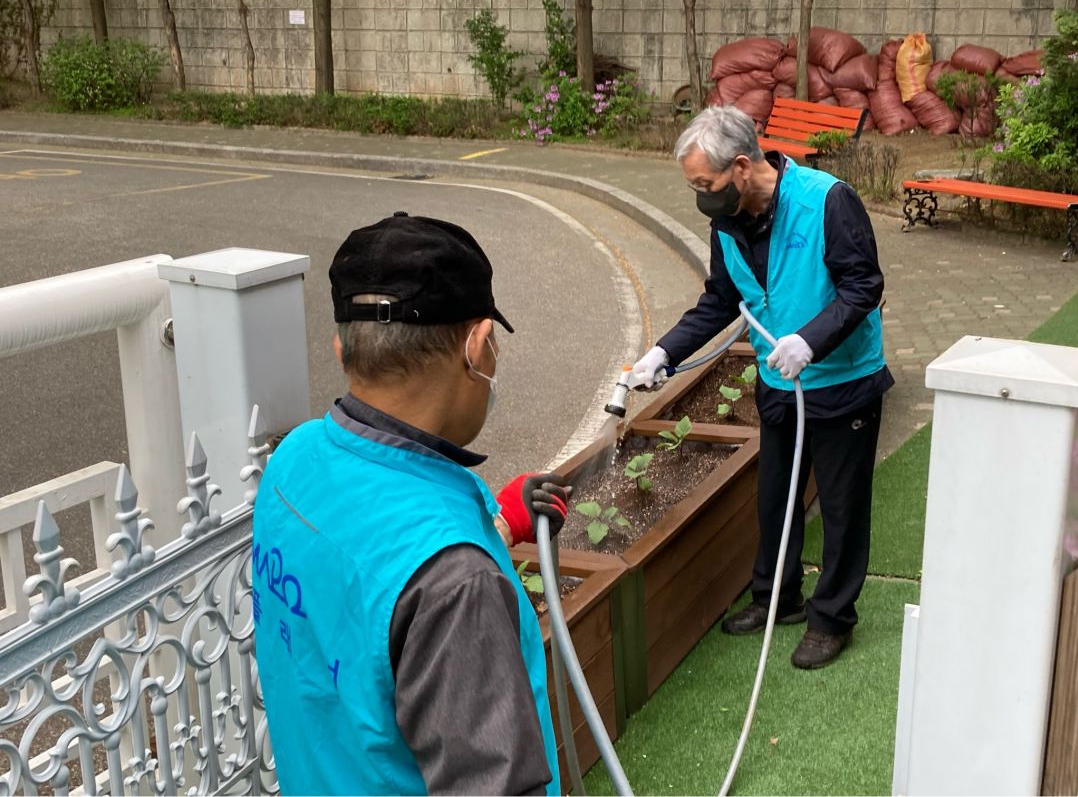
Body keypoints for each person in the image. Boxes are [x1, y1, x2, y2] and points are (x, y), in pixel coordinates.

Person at [253, 211, 572, 795]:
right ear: (476, 347)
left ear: (342, 349)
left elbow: (364, 593)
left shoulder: (292, 462)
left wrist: (499, 526)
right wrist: (465, 560)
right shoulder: (455, 585)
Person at [632, 106, 893, 670]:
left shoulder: (827, 201)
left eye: (705, 184)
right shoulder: (726, 221)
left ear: (742, 166)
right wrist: (664, 352)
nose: (700, 197)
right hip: (779, 385)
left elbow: (863, 286)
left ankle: (831, 619)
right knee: (776, 499)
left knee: (843, 508)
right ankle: (777, 597)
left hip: (843, 381)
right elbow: (721, 300)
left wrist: (810, 341)